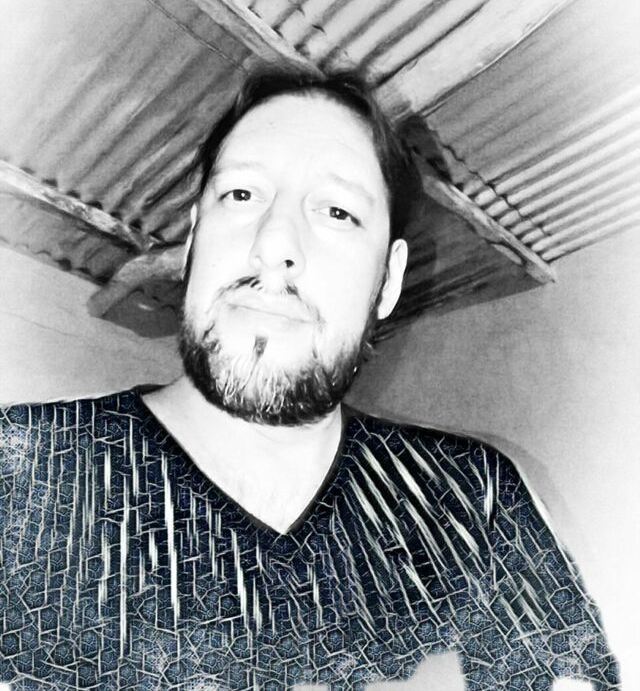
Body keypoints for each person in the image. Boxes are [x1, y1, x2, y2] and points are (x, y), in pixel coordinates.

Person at [0, 70, 618, 690]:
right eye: (241, 194)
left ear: (388, 282)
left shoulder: (476, 502)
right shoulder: (20, 473)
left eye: (338, 211)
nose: (274, 243)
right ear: (192, 244)